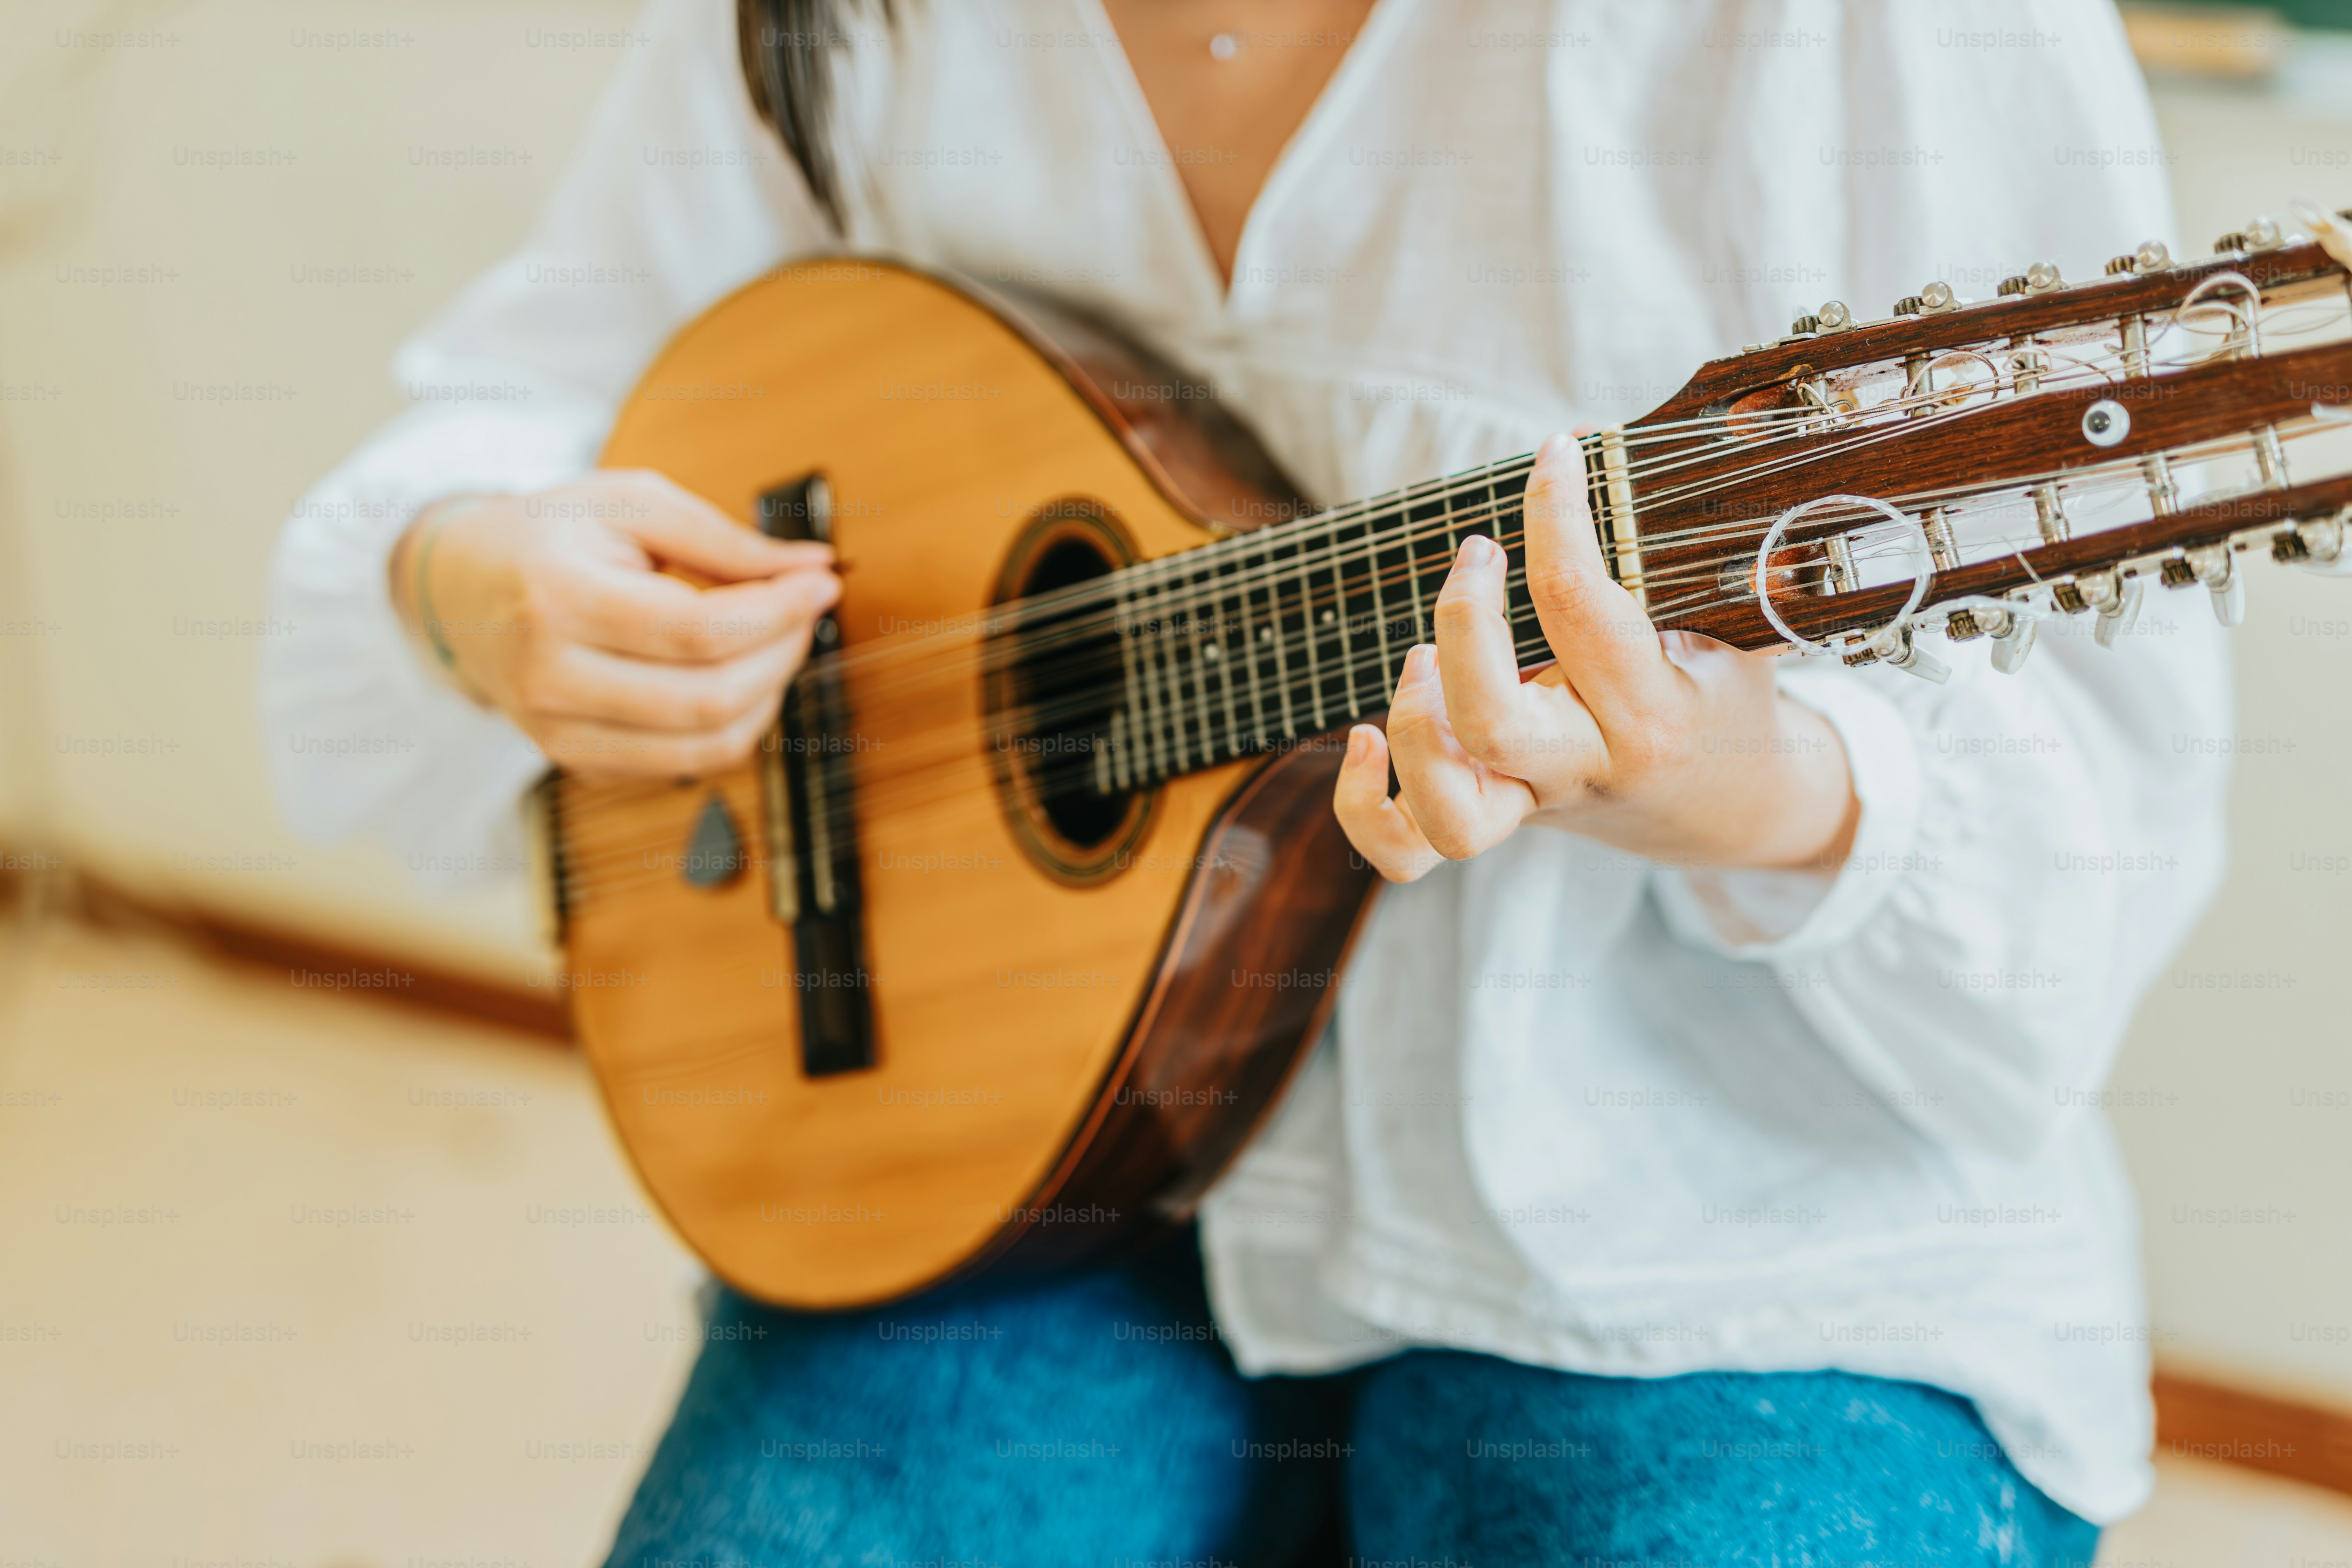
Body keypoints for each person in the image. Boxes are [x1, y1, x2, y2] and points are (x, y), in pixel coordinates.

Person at [264, 1, 2228, 1561]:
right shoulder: (836, 20)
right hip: (1016, 1177)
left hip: (1721, 1236)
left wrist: (1730, 776)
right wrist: (466, 575)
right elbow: (541, 395)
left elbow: (2106, 806)